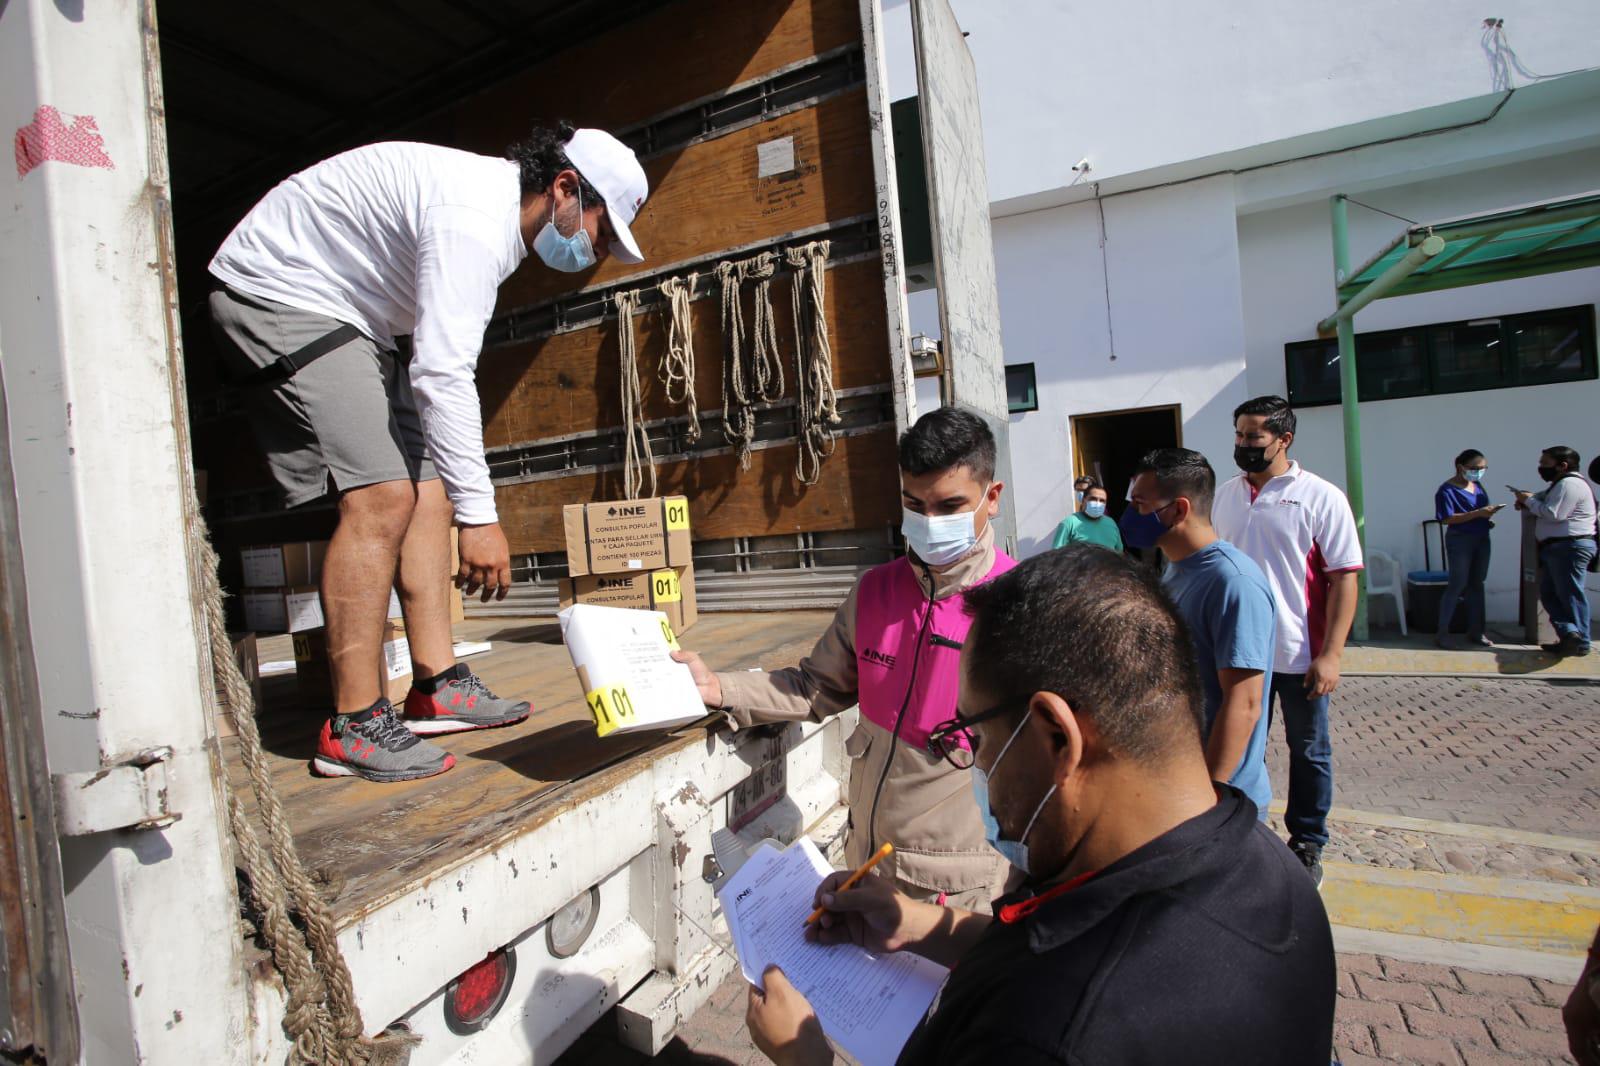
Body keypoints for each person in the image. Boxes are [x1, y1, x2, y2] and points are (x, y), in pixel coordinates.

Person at [743, 547, 1336, 1066]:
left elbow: (1053, 978)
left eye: (974, 738)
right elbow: (1048, 944)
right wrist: (918, 923)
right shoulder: (1272, 872)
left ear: (1058, 738)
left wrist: (806, 1059)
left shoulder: (1047, 1033)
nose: (973, 765)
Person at [209, 124, 650, 781]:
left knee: (432, 488)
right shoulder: (473, 221)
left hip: (358, 313)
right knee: (381, 496)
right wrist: (482, 516)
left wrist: (461, 500)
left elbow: (435, 367)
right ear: (563, 188)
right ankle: (354, 724)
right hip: (282, 289)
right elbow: (443, 373)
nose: (599, 249)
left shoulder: (494, 225)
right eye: (601, 228)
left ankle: (436, 686)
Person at [674, 408, 1013, 907]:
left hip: (958, 893)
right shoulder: (875, 592)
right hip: (868, 865)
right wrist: (719, 689)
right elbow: (814, 687)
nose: (930, 523)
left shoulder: (1017, 608)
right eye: (914, 506)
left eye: (950, 506)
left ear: (992, 498)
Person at [1212, 396, 1362, 887]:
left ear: (1284, 439)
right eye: (1239, 435)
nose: (1244, 445)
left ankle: (1308, 841)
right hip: (1239, 653)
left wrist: (1331, 655)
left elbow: (1344, 579)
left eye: (1254, 436)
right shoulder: (1227, 495)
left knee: (1309, 750)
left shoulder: (1321, 497)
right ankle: (1235, 833)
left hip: (1299, 655)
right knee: (1234, 746)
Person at [1125, 448, 1275, 818]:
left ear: (1178, 509)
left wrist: (1208, 798)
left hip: (1219, 803)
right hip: (1179, 786)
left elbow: (1244, 703)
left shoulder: (1233, 582)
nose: (1131, 515)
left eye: (1140, 504)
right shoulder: (1176, 568)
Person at [1512, 445, 1597, 657]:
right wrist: (1529, 501)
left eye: (1545, 464)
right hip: (1557, 548)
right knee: (1549, 594)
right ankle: (1569, 635)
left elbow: (1554, 514)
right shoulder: (1559, 485)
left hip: (1569, 546)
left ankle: (1581, 642)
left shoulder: (1569, 484)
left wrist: (1528, 501)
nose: (1540, 468)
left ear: (1562, 466)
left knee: (1570, 595)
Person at [1433, 449, 1501, 648]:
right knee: (1457, 584)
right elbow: (1447, 518)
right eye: (1475, 468)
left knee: (1477, 584)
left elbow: (1482, 509)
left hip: (1481, 537)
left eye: (1482, 468)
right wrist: (1477, 514)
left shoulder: (1477, 485)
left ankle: (1476, 631)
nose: (1479, 472)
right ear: (1460, 467)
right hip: (1460, 540)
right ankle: (1443, 632)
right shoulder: (1446, 490)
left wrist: (1487, 516)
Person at [1050, 479, 1123, 552]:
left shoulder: (1111, 523)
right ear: (1083, 500)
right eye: (1093, 499)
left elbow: (1119, 552)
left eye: (1102, 501)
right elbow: (1056, 557)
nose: (1098, 503)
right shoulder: (1069, 523)